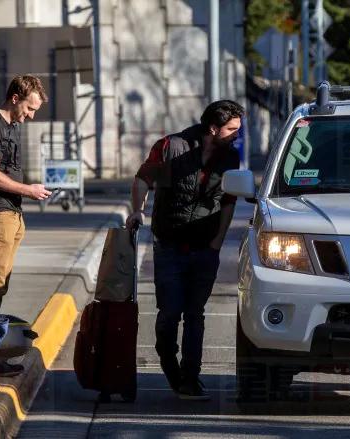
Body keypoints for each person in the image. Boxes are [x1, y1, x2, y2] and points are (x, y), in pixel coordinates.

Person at [127, 100, 245, 400]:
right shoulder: (171, 147)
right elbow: (143, 178)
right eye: (232, 129)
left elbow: (229, 201)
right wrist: (137, 211)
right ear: (212, 128)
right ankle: (169, 363)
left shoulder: (230, 157)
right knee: (169, 313)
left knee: (195, 313)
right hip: (169, 245)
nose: (237, 135)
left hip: (205, 247)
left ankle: (191, 377)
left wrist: (218, 240)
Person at [0, 75, 52, 377]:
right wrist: (28, 190)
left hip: (10, 214)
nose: (30, 116)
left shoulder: (9, 127)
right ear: (15, 98)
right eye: (29, 109)